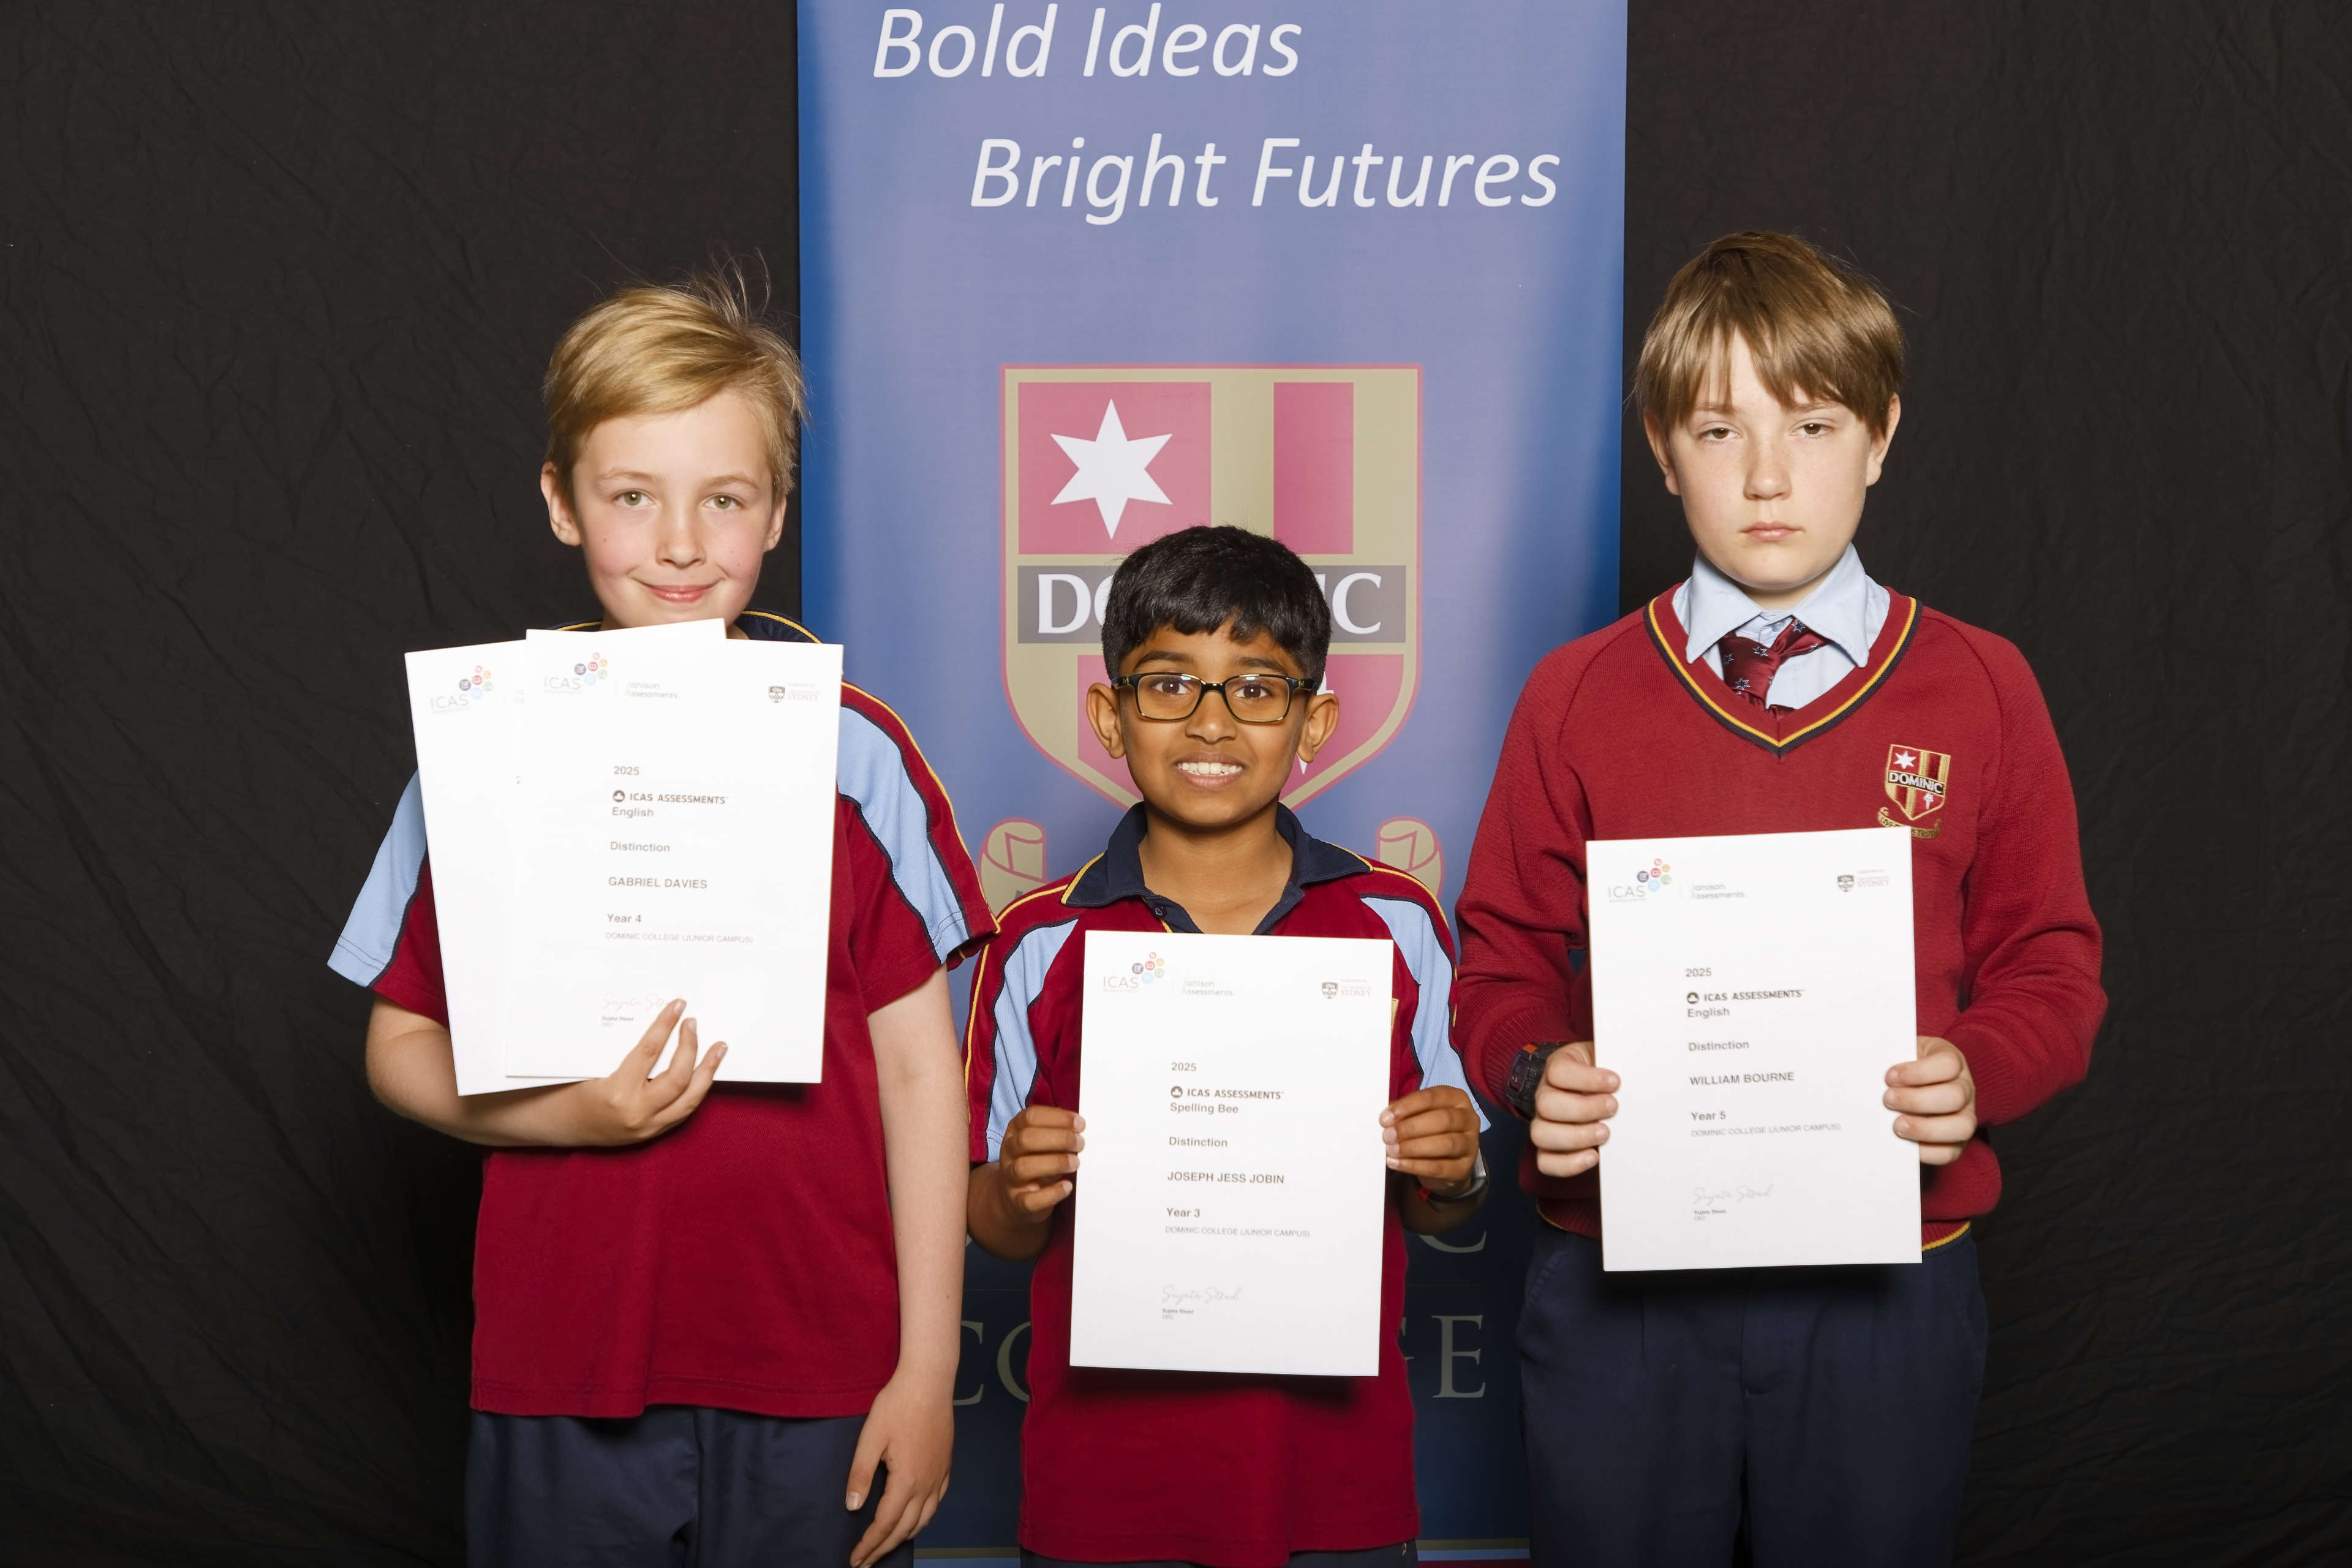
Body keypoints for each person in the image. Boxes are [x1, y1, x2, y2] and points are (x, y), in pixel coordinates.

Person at [328, 268, 995, 1568]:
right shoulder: (481, 749)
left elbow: (923, 1072)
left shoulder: (858, 755)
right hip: (564, 1358)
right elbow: (396, 1046)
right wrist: (565, 1115)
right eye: (633, 496)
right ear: (561, 501)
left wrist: (926, 1372)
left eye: (724, 498)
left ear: (777, 511)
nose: (682, 543)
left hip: (820, 1363)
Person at [1455, 231, 2105, 1565]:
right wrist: (1532, 1069)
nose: (1766, 475)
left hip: (1892, 1277)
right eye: (1718, 430)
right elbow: (1500, 960)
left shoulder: (1983, 685)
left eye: (1812, 425)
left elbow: (2052, 962)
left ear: (1880, 435)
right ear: (1661, 448)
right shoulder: (1574, 695)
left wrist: (1976, 1067)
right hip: (1619, 1280)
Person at [963, 525, 1487, 1567]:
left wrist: (1455, 1164)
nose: (1211, 722)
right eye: (1169, 685)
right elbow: (993, 1224)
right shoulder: (1038, 940)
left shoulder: (1397, 924)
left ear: (1313, 722)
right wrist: (1017, 1187)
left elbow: (1442, 1202)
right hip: (1102, 1487)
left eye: (1255, 689)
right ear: (1110, 717)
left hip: (1336, 1483)